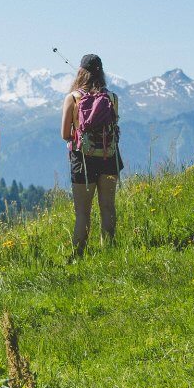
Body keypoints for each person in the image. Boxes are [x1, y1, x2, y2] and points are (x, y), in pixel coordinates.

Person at [61, 54, 122, 257]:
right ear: (101, 72)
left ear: (80, 72)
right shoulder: (111, 98)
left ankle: (78, 255)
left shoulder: (73, 98)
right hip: (109, 157)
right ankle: (109, 252)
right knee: (107, 207)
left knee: (82, 213)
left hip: (83, 161)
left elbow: (64, 134)